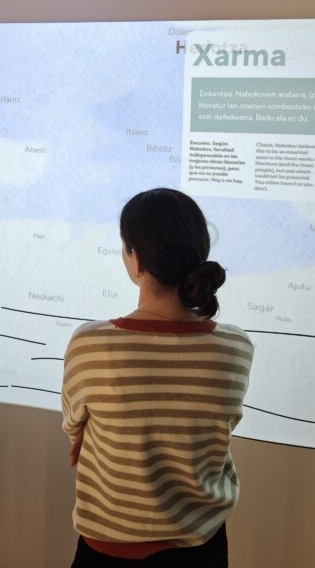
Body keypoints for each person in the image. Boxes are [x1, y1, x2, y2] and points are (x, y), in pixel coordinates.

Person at [62, 188, 254, 568]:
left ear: (136, 260)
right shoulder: (236, 347)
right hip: (201, 549)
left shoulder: (90, 344)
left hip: (108, 546)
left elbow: (74, 428)